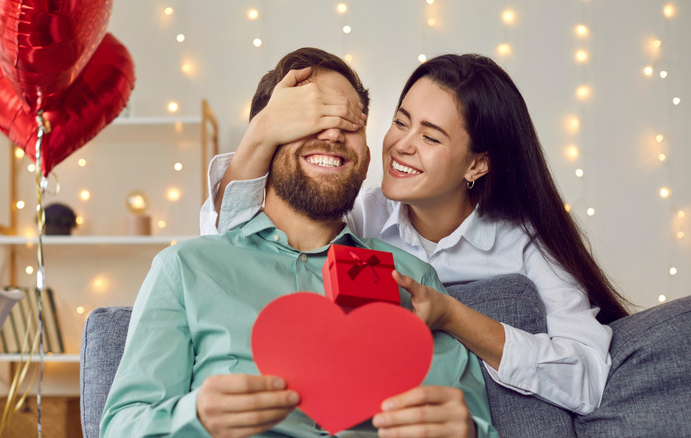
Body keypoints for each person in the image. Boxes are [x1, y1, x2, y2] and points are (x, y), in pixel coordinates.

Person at [201, 53, 633, 415]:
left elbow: (587, 377)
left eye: (430, 137)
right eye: (400, 122)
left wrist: (453, 315)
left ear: (476, 164)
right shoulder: (361, 216)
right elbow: (237, 242)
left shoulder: (527, 243)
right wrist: (263, 130)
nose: (402, 146)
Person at [101, 48, 498, 438]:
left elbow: (469, 420)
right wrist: (196, 418)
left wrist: (468, 432)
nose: (333, 133)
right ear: (268, 137)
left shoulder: (414, 280)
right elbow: (120, 426)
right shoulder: (187, 269)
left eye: (350, 124)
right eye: (312, 118)